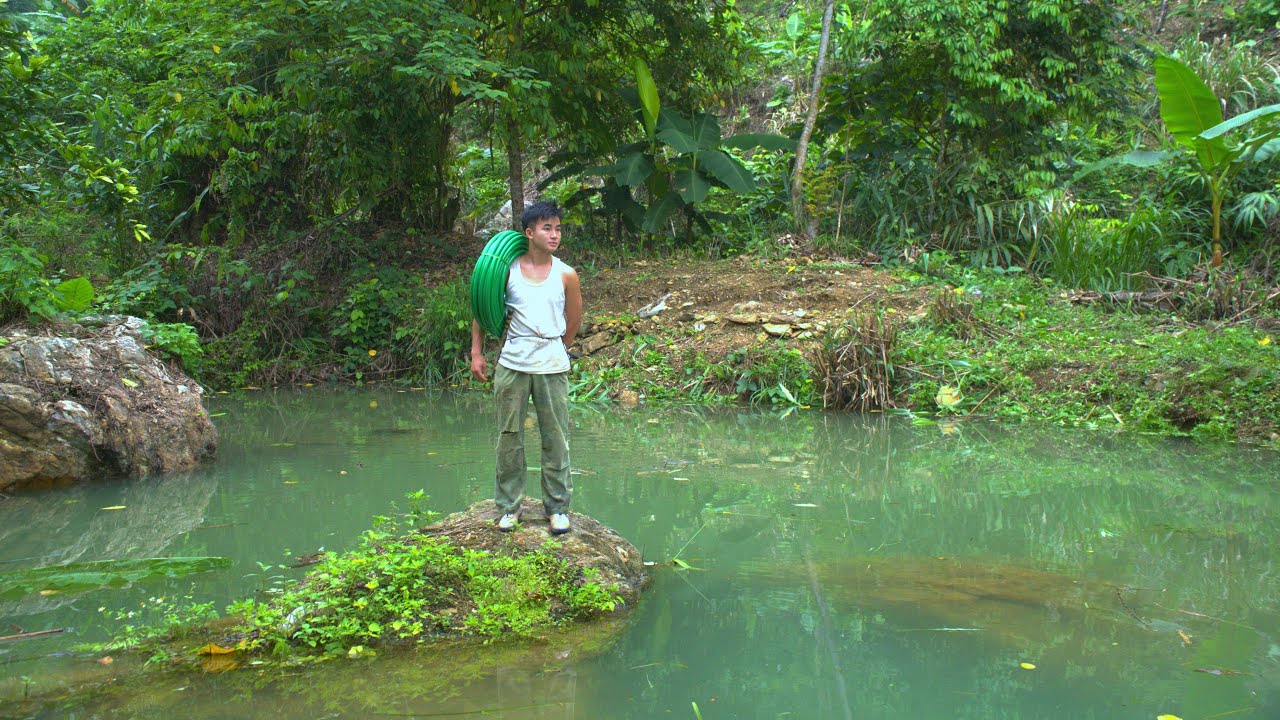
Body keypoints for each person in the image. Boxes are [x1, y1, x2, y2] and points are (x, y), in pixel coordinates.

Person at [470, 201, 582, 534]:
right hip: (513, 363)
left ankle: (557, 508)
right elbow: (481, 308)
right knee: (509, 437)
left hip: (551, 365)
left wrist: (558, 347)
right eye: (547, 228)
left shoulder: (566, 274)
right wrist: (476, 353)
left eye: (558, 228)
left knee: (556, 438)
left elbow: (574, 320)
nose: (555, 234)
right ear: (529, 233)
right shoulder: (506, 271)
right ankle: (509, 508)